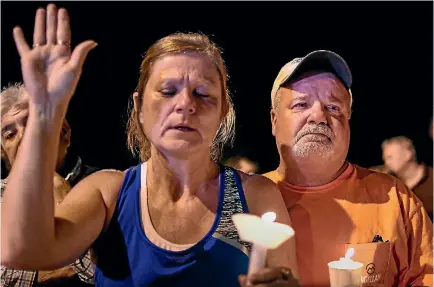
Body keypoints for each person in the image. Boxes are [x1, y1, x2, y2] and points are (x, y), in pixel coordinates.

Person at [1, 4, 299, 287]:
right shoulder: (108, 194)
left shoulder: (256, 197)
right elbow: (21, 250)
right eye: (168, 91)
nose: (184, 104)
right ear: (140, 106)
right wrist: (43, 117)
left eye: (202, 93)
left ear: (223, 112)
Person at [263, 50, 433, 286]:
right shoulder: (245, 201)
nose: (319, 116)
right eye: (301, 104)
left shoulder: (394, 198)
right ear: (274, 120)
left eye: (333, 107)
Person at [0, 83, 97, 286]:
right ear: (4, 153)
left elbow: (109, 275)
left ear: (64, 133)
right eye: (10, 135)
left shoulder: (105, 186)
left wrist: (62, 195)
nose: (23, 137)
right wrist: (51, 271)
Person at [382, 136, 433, 220]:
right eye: (385, 159)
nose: (386, 163)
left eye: (390, 157)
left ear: (407, 155)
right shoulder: (389, 183)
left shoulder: (431, 179)